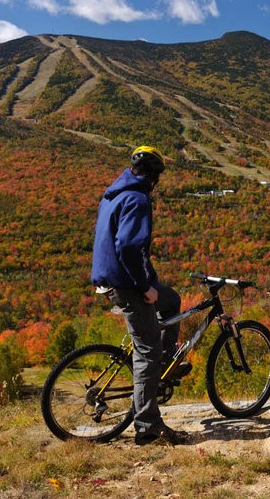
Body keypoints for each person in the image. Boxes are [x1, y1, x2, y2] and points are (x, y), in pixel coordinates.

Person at [91, 145, 190, 445]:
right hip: (125, 283)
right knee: (148, 350)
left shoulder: (114, 193)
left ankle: (162, 367)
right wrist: (144, 286)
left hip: (112, 277)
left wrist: (152, 283)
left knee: (171, 300)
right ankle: (147, 425)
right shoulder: (137, 199)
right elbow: (130, 248)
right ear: (154, 176)